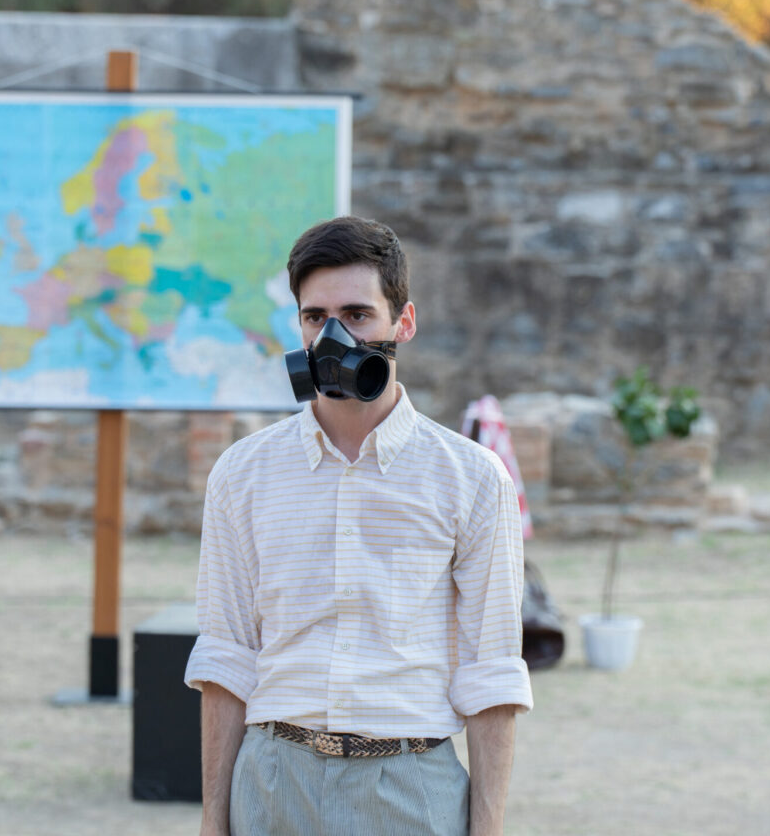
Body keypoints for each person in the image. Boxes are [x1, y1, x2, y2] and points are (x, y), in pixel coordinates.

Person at [183, 215, 533, 836]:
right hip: (271, 781)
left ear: (404, 322)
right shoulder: (242, 473)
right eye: (315, 317)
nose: (333, 336)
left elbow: (492, 674)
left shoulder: (473, 478)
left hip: (409, 788)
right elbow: (227, 659)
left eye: (357, 314)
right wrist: (214, 821)